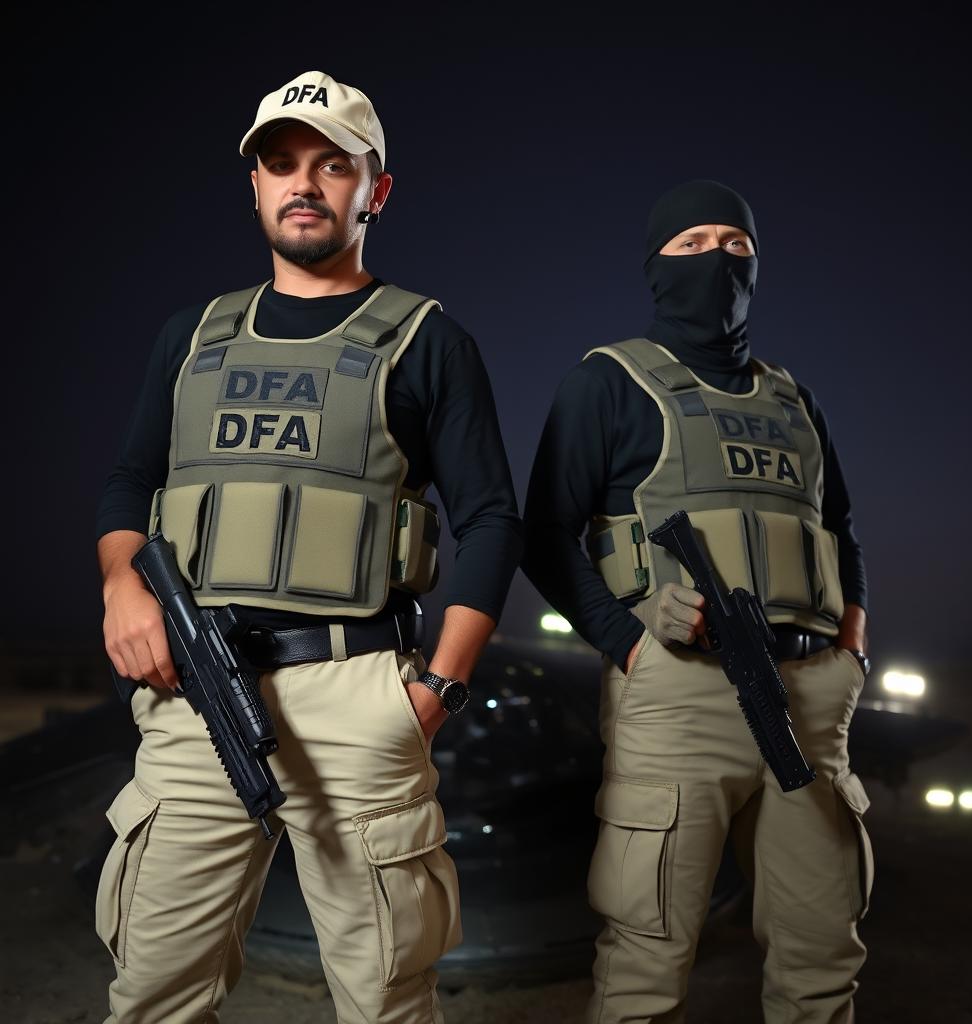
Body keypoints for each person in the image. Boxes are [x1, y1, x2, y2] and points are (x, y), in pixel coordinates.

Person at [95, 70, 522, 1024]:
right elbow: (130, 482)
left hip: (357, 697)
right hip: (193, 696)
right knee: (154, 993)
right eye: (281, 163)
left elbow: (491, 519)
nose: (304, 183)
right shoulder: (192, 335)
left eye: (335, 166)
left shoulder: (428, 341)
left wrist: (434, 694)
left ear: (376, 190)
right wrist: (125, 586)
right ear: (253, 185)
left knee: (386, 1000)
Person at [522, 180, 872, 1024]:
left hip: (809, 703)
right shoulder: (608, 384)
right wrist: (630, 642)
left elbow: (840, 530)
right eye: (692, 243)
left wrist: (852, 645)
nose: (717, 257)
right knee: (648, 957)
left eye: (736, 243)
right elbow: (543, 538)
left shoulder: (795, 401)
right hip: (682, 697)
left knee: (823, 949)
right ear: (656, 264)